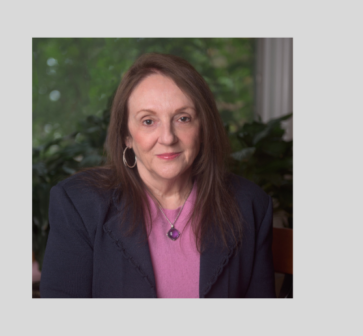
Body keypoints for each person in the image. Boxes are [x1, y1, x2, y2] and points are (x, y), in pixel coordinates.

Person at [40, 53, 275, 298]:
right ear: (126, 136)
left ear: (203, 128)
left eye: (183, 118)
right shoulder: (78, 205)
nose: (168, 137)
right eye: (148, 121)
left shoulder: (250, 206)